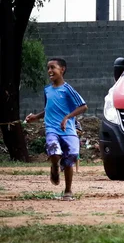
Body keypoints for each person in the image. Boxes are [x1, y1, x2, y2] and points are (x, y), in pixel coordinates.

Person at [26, 58, 88, 201]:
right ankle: (54, 167)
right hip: (52, 129)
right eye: (48, 68)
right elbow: (48, 109)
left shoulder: (68, 89)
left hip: (68, 130)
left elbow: (83, 106)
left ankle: (68, 190)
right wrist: (36, 117)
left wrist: (67, 117)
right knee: (54, 151)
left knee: (71, 156)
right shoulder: (47, 90)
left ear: (62, 70)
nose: (49, 71)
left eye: (53, 67)